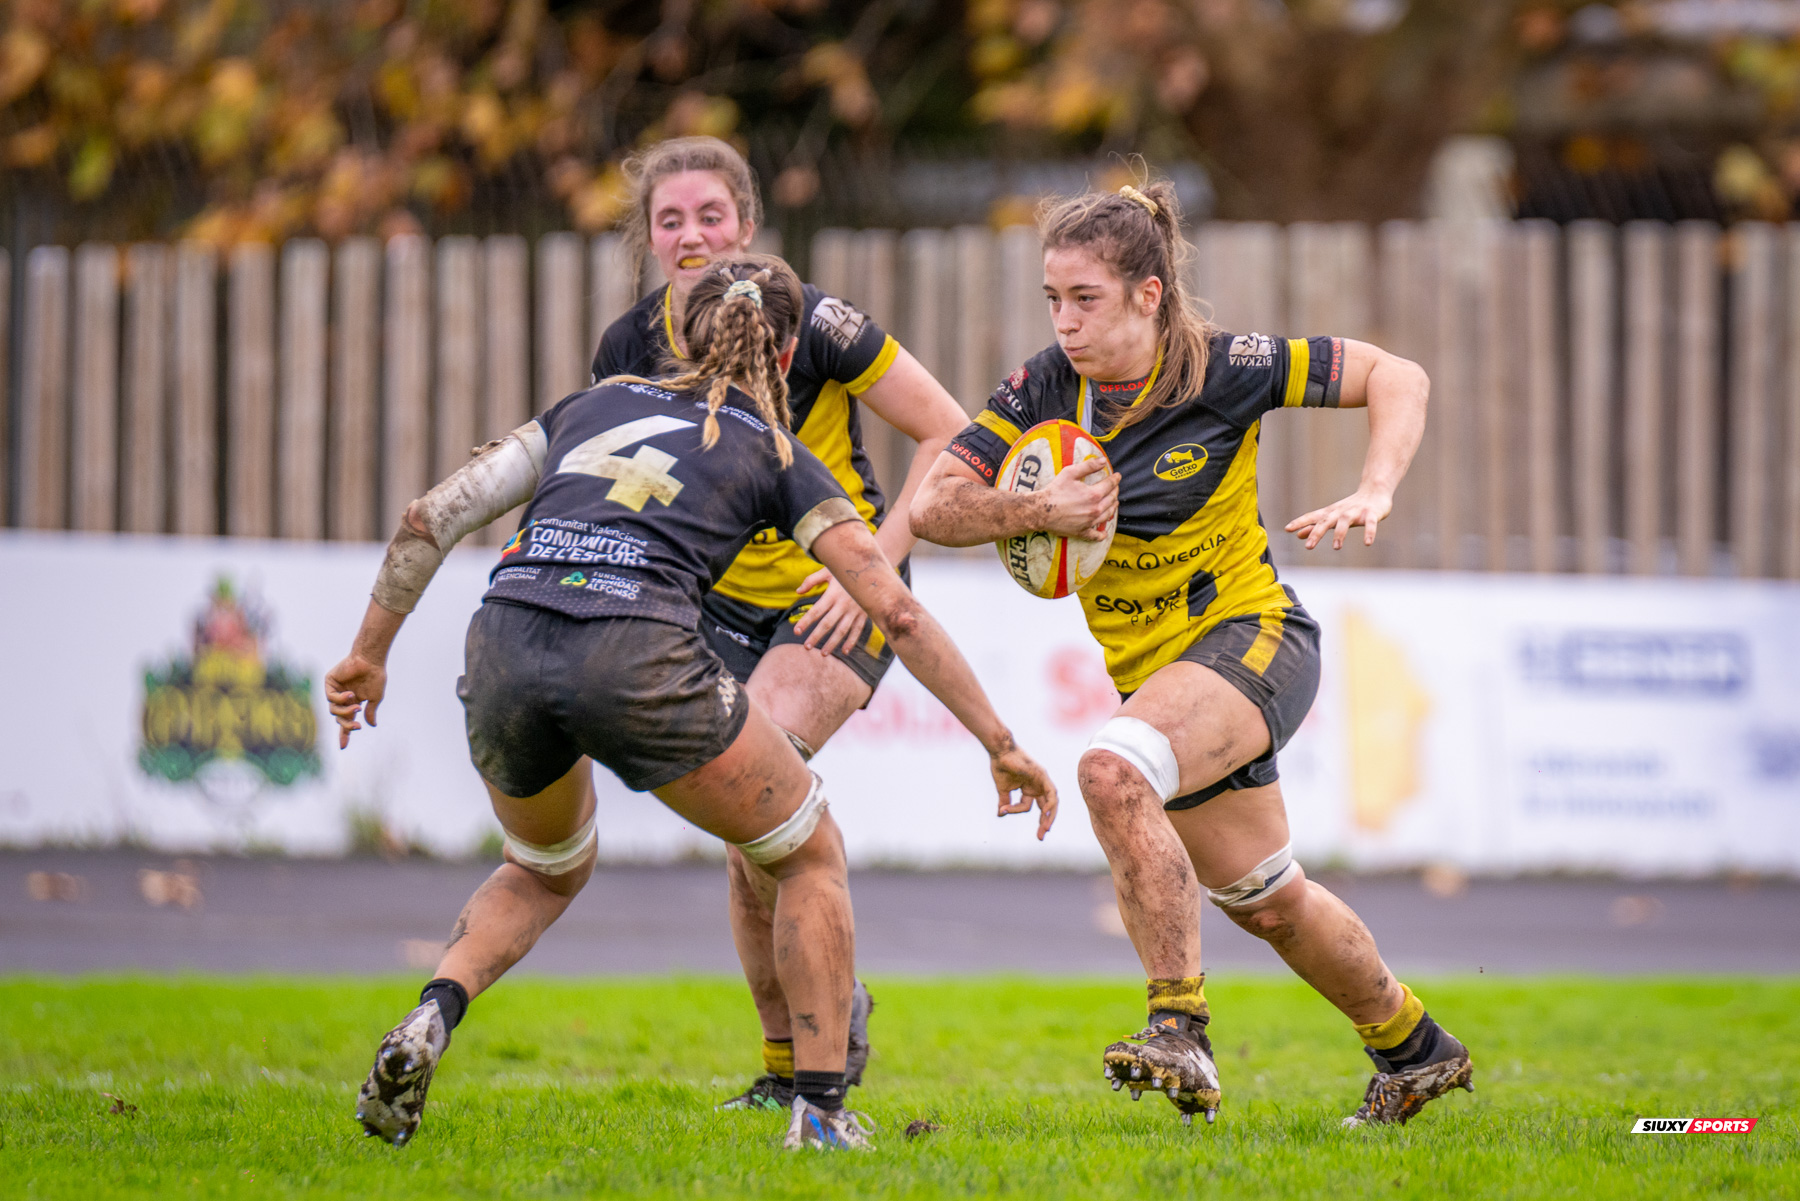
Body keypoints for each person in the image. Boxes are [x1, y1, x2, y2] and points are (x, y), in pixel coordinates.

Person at [327, 256, 1057, 1152]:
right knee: (807, 849)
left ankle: (432, 1013)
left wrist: (368, 653)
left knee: (543, 866)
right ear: (787, 351)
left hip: (505, 637)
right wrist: (1000, 740)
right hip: (633, 649)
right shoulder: (777, 450)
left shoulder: (584, 407)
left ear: (681, 335)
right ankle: (823, 1113)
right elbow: (896, 609)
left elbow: (428, 518)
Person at [909, 180, 1471, 1128]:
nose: (1065, 321)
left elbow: (1398, 376)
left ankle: (1179, 1030)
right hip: (1163, 678)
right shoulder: (1046, 386)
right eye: (1053, 299)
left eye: (1085, 299)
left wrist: (1374, 487)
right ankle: (1416, 1050)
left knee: (1110, 770)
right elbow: (932, 507)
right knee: (1266, 899)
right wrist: (1040, 510)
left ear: (1149, 294)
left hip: (1254, 637)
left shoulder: (1227, 366)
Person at [591, 136, 972, 1111]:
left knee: (762, 795)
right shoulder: (629, 348)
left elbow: (949, 432)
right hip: (709, 604)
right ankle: (791, 1055)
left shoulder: (823, 322)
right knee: (745, 831)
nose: (691, 235)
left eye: (710, 215)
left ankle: (814, 1042)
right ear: (646, 237)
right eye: (669, 219)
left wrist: (873, 567)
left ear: (748, 225)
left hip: (834, 596)